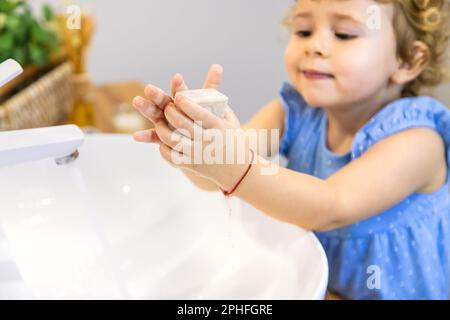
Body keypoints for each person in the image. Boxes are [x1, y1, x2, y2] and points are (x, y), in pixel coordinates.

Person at [132, 0, 450, 299]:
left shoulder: (417, 140)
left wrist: (233, 165)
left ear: (408, 60)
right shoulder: (292, 113)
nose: (315, 46)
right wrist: (194, 146)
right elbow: (220, 177)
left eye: (343, 34)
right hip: (322, 287)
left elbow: (330, 205)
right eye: (304, 31)